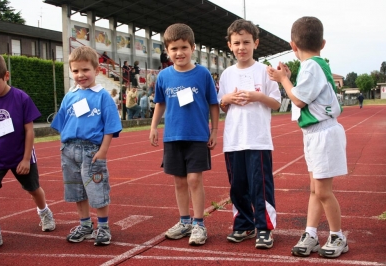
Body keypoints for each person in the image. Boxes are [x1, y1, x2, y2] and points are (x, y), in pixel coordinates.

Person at [267, 16, 348, 258]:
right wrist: (289, 78)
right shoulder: (312, 66)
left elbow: (299, 99)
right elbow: (302, 94)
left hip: (323, 132)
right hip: (315, 133)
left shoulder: (312, 66)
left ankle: (337, 236)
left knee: (322, 191)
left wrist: (283, 80)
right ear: (322, 43)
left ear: (293, 45)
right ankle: (311, 233)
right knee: (315, 189)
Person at [149, 23, 219, 246]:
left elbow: (213, 104)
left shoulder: (203, 74)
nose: (179, 53)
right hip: (173, 137)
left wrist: (215, 130)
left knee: (194, 179)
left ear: (193, 48)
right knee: (179, 182)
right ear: (167, 51)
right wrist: (153, 127)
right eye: (174, 49)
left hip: (197, 136)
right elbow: (159, 104)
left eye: (183, 47)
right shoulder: (164, 76)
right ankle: (184, 221)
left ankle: (199, 223)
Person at [217, 19, 281, 250]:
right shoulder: (226, 74)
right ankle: (243, 224)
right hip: (233, 140)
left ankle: (264, 228)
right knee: (238, 186)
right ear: (229, 46)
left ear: (256, 43)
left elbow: (276, 103)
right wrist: (228, 99)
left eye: (246, 42)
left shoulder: (265, 71)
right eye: (237, 43)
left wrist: (257, 97)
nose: (241, 47)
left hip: (258, 139)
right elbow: (221, 102)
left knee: (260, 186)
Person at [51, 46, 122, 246]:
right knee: (76, 191)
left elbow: (110, 127)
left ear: (97, 70)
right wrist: (64, 145)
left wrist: (103, 150)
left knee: (97, 189)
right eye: (75, 71)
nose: (80, 75)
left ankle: (103, 227)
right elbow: (62, 122)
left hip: (92, 151)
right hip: (69, 150)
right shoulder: (70, 96)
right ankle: (85, 225)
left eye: (85, 70)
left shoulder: (102, 96)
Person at [0, 53, 56, 250]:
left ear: (6, 76)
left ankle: (44, 211)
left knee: (33, 189)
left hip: (21, 154)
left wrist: (26, 159)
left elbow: (29, 130)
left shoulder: (21, 98)